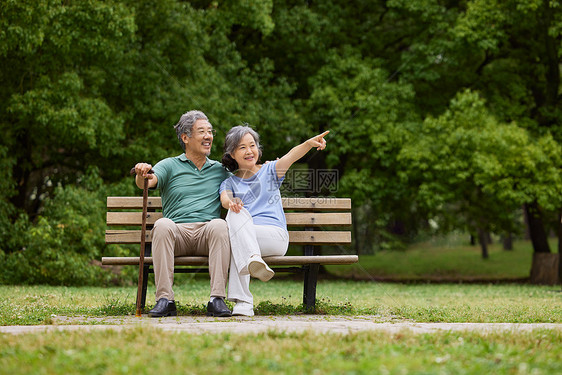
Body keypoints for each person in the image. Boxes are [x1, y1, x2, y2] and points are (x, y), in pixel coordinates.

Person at [219, 125, 329, 316]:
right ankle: (250, 273)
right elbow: (225, 198)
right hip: (248, 237)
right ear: (232, 154)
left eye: (252, 145)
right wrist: (232, 202)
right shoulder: (229, 182)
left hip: (274, 237)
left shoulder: (270, 171)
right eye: (242, 147)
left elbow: (291, 156)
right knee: (235, 216)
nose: (249, 151)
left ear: (258, 149)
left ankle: (244, 300)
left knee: (237, 240)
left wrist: (308, 144)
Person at [134, 110, 233, 318]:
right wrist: (142, 173)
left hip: (208, 234)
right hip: (177, 234)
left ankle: (217, 300)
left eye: (210, 131)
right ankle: (165, 299)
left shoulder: (220, 170)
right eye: (202, 132)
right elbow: (148, 182)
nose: (209, 136)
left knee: (219, 224)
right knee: (162, 224)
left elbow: (247, 180)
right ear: (185, 138)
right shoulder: (169, 165)